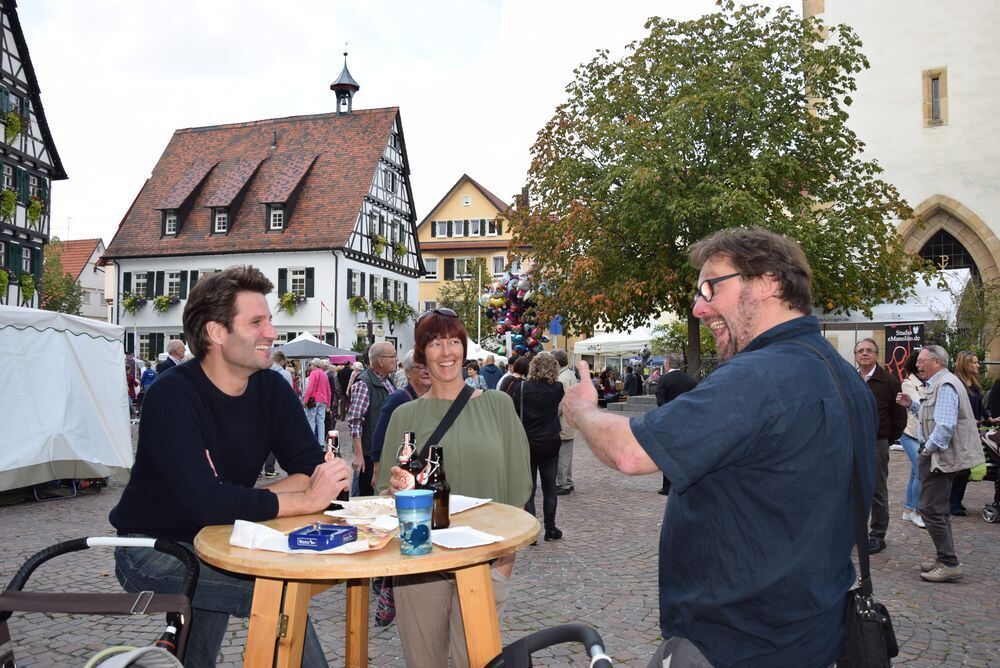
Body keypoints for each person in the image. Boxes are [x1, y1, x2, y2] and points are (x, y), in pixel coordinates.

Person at [561, 228, 876, 666]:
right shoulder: (843, 376)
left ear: (768, 282)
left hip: (735, 643)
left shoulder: (760, 376)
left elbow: (629, 452)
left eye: (711, 286)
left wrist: (583, 411)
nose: (698, 306)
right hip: (813, 633)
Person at [109, 265, 351, 667]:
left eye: (270, 320)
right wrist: (303, 497)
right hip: (153, 547)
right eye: (257, 322)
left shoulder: (272, 388)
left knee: (196, 646)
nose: (272, 333)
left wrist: (251, 498)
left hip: (222, 537)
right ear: (216, 333)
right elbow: (207, 502)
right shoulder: (172, 395)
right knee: (279, 598)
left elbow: (319, 473)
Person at [375, 309, 531, 667]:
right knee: (424, 662)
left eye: (453, 343)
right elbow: (385, 494)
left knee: (476, 662)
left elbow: (518, 490)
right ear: (422, 354)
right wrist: (395, 490)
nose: (446, 353)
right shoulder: (404, 415)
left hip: (483, 560)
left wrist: (503, 565)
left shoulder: (499, 406)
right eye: (435, 344)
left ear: (464, 348)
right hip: (419, 564)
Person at [896, 345, 984, 582]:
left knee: (930, 510)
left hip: (940, 459)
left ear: (936, 361)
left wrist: (927, 450)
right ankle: (945, 558)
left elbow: (944, 427)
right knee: (937, 510)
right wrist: (912, 405)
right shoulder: (942, 383)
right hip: (940, 457)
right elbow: (931, 416)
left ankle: (949, 562)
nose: (918, 364)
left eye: (922, 360)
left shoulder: (945, 385)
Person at [854, 337, 906, 555]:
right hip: (852, 442)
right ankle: (855, 532)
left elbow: (899, 416)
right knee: (853, 489)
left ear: (877, 355)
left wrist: (886, 438)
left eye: (869, 350)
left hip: (876, 442)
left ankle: (877, 535)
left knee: (877, 490)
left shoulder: (888, 381)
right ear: (856, 356)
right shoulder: (850, 378)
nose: (864, 354)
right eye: (860, 351)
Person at [512, 352, 565, 540]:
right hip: (550, 440)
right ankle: (550, 529)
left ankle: (531, 532)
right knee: (550, 486)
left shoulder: (522, 387)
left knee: (530, 488)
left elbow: (515, 411)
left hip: (528, 440)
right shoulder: (558, 388)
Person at [371, 350, 433, 481]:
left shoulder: (434, 399)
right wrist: (377, 469)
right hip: (401, 467)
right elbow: (380, 434)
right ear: (407, 372)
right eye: (421, 367)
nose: (426, 371)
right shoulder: (398, 398)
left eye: (429, 366)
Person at [347, 342, 397, 496]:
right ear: (381, 360)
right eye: (393, 356)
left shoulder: (387, 380)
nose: (396, 359)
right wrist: (358, 455)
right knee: (366, 496)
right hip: (369, 453)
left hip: (382, 450)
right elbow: (355, 421)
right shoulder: (364, 383)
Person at [653, 352, 697, 496]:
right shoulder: (689, 380)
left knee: (668, 453)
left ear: (667, 365)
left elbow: (660, 402)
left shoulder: (664, 379)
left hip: (669, 421)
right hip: (687, 421)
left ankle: (667, 486)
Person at [949, 350, 982, 516]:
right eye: (974, 362)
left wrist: (989, 418)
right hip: (960, 432)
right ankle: (952, 503)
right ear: (965, 364)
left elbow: (979, 405)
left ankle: (956, 501)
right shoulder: (957, 384)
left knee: (967, 467)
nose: (978, 365)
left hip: (973, 431)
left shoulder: (974, 383)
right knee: (961, 468)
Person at [898, 352, 927, 528]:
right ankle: (917, 511)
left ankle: (908, 510)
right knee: (921, 472)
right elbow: (920, 407)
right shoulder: (909, 384)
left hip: (921, 434)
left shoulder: (926, 383)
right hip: (909, 434)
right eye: (920, 362)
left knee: (914, 473)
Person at [262, 350, 294, 478]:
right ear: (282, 361)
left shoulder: (263, 370)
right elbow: (290, 394)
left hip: (262, 409)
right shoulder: (285, 373)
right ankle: (269, 469)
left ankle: (257, 471)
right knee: (274, 440)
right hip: (278, 411)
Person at [552, 349, 578, 496]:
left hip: (564, 421)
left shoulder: (562, 378)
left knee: (562, 454)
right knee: (566, 453)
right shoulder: (569, 374)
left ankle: (563, 483)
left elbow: (561, 403)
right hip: (569, 421)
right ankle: (567, 480)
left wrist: (552, 416)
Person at [302, 358, 331, 447]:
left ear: (315, 365)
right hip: (323, 400)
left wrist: (305, 400)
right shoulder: (324, 374)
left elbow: (310, 388)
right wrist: (328, 403)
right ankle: (321, 443)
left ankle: (311, 442)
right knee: (321, 421)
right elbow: (328, 390)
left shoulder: (314, 373)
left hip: (313, 400)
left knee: (311, 421)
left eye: (311, 365)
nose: (310, 367)